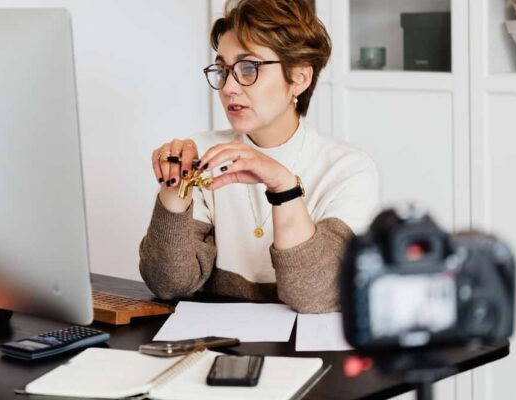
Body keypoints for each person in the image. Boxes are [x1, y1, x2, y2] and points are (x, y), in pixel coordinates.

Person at [139, 0, 379, 313]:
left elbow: (316, 295)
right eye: (223, 70)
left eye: (248, 68)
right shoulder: (201, 155)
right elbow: (168, 284)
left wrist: (284, 187)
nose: (229, 88)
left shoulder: (348, 169)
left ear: (299, 78)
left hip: (309, 354)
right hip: (219, 345)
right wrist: (173, 190)